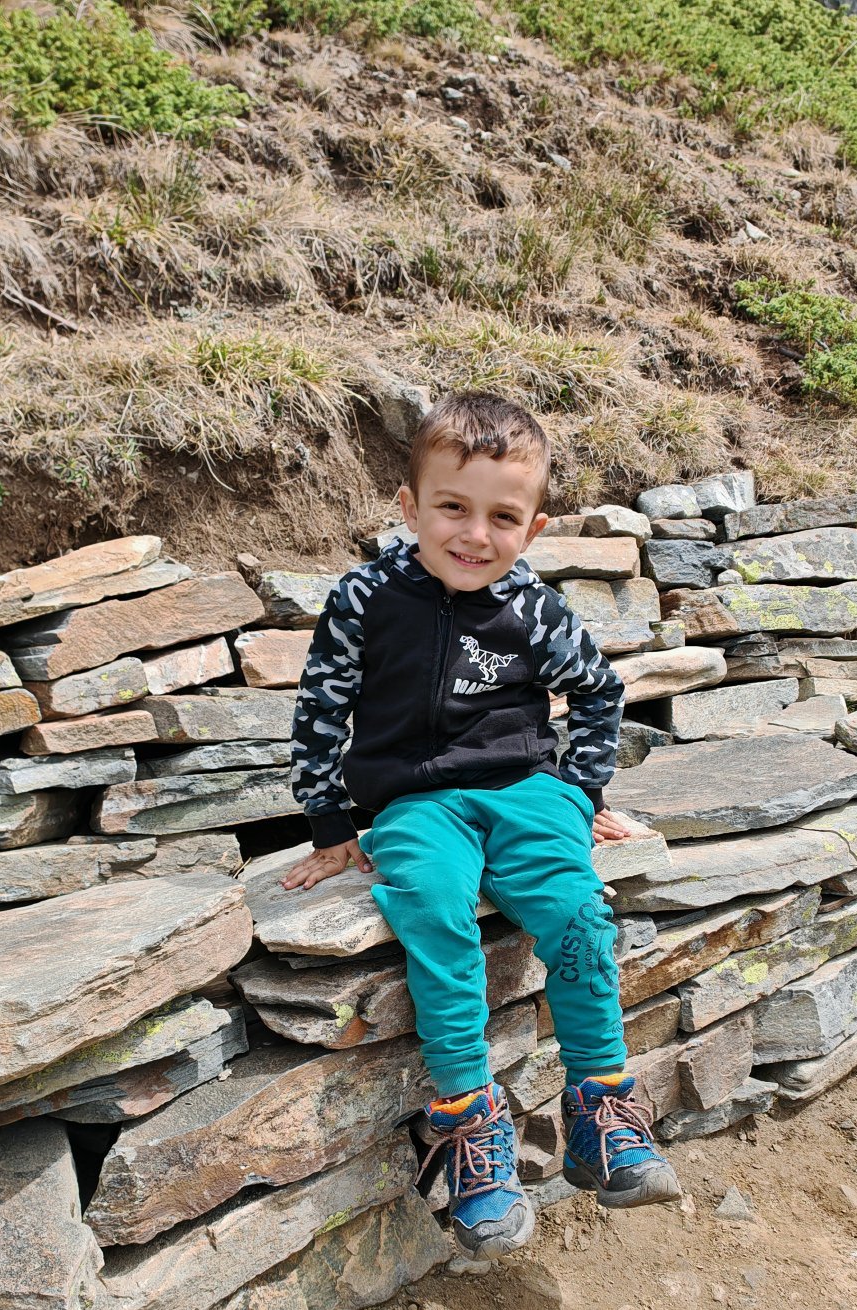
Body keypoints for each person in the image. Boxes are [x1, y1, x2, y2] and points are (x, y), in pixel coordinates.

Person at [280, 392, 681, 1259]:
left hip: (528, 789)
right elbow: (321, 706)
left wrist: (582, 790)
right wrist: (329, 823)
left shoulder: (534, 609)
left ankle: (601, 1107)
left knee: (576, 912)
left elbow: (600, 691)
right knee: (432, 905)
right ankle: (468, 1116)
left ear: (533, 529)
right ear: (409, 506)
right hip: (415, 802)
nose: (474, 535)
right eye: (452, 508)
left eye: (502, 518)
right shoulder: (365, 598)